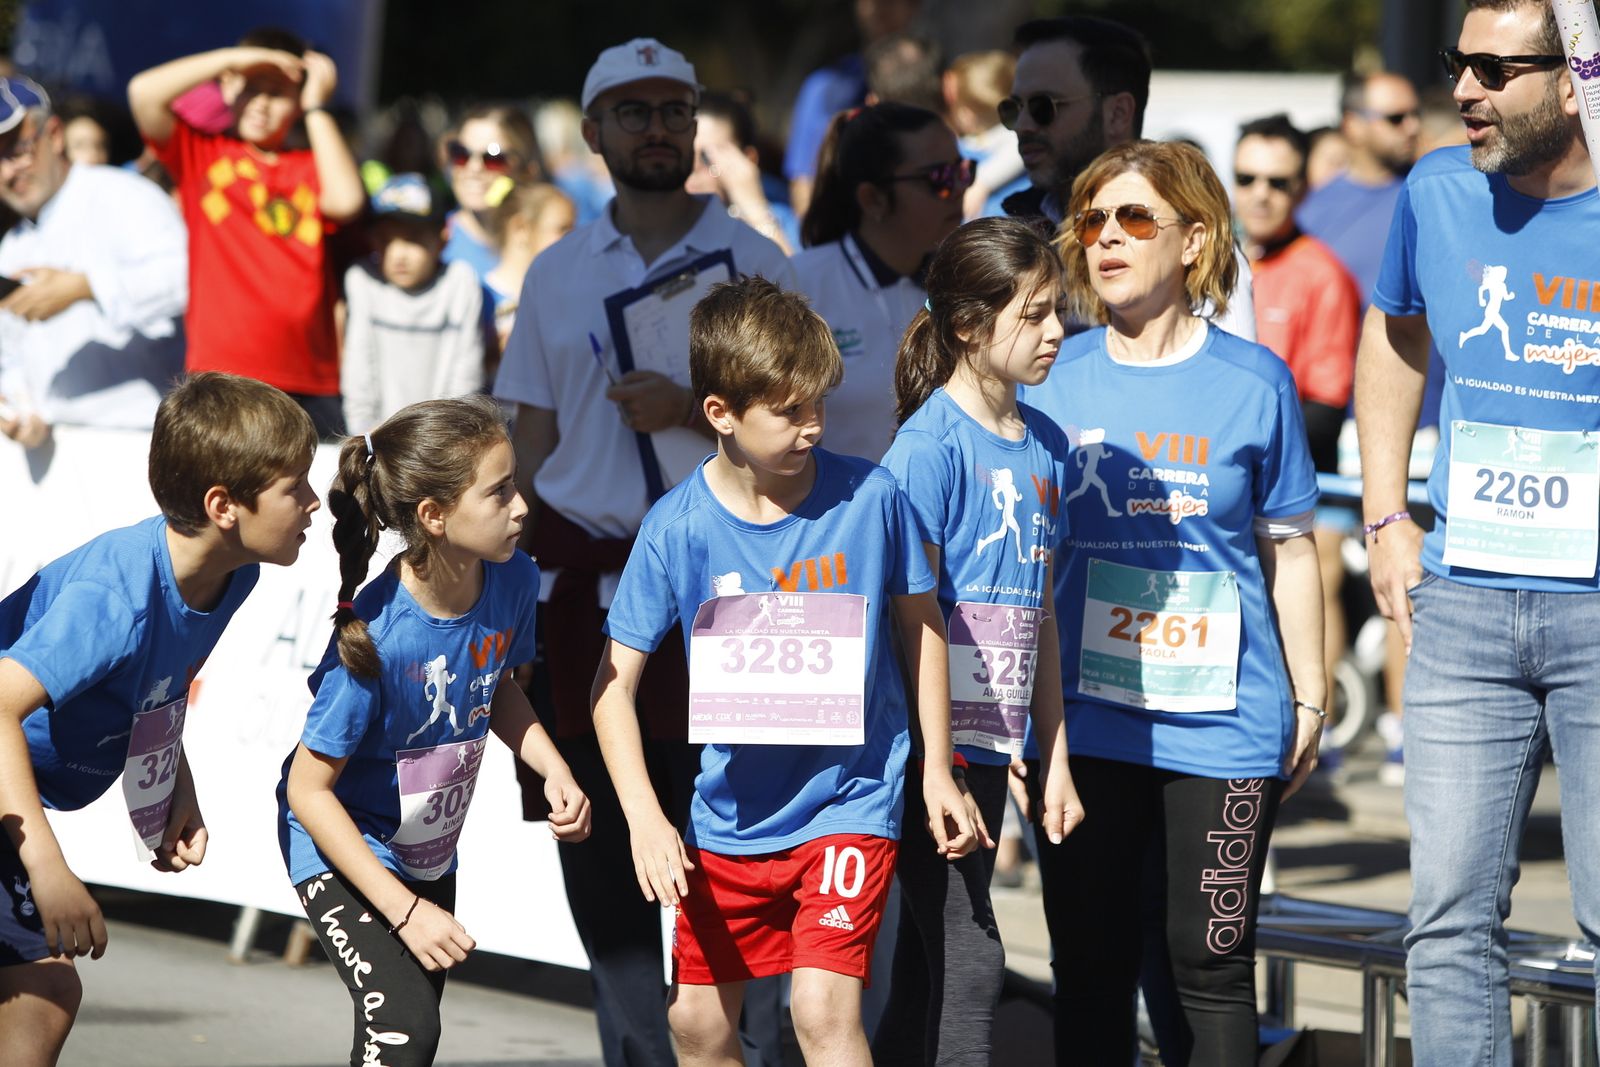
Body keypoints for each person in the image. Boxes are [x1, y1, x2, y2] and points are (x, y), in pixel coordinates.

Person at [491, 38, 795, 1067]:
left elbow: (806, 428)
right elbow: (527, 439)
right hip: (585, 587)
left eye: (674, 108)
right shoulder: (558, 270)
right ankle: (639, 1055)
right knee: (604, 858)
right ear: (593, 133)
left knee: (737, 846)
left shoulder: (756, 261)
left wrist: (696, 408)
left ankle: (741, 1049)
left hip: (732, 589)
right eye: (633, 111)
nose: (657, 127)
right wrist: (505, 574)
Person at [591, 275, 976, 1067]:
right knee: (696, 1024)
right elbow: (612, 687)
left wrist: (936, 765)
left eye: (819, 407)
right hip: (729, 816)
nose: (812, 428)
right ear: (720, 414)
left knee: (820, 1011)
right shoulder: (676, 528)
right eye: (789, 412)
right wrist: (645, 816)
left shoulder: (872, 498)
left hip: (851, 801)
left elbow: (922, 622)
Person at [1023, 139, 1324, 1064]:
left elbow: (1291, 547)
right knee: (1092, 963)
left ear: (1194, 240)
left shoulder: (1254, 381)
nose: (1108, 237)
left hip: (1225, 721)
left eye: (1134, 218)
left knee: (1210, 962)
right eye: (1092, 221)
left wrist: (1309, 695)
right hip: (1088, 726)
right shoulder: (1052, 378)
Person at [1355, 2, 1599, 1061]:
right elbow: (1394, 334)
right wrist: (1382, 517)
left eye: (1496, 69)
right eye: (1458, 64)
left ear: (1573, 75)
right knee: (1447, 922)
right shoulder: (1437, 189)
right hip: (1461, 602)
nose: (1464, 89)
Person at [0, 371, 319, 1067]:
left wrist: (174, 781)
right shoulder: (113, 596)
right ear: (224, 505)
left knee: (43, 994)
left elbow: (156, 681)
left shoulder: (233, 575)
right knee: (43, 988)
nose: (313, 502)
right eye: (295, 486)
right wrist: (48, 866)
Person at [280, 396, 590, 1067]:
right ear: (434, 516)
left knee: (407, 1041)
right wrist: (404, 908)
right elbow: (307, 790)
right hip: (343, 847)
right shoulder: (378, 638)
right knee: (404, 1030)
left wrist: (552, 764)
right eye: (500, 490)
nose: (522, 506)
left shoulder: (513, 577)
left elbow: (497, 682)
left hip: (425, 847)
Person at [874, 216, 1082, 1064]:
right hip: (929, 753)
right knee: (972, 956)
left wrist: (1054, 748)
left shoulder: (1048, 445)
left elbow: (1039, 610)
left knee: (931, 968)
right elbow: (906, 615)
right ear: (967, 324)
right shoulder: (925, 450)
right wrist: (935, 763)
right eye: (1033, 315)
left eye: (1057, 310)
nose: (1057, 332)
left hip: (993, 747)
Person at [127, 26, 366, 438]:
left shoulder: (310, 165)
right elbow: (143, 93)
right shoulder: (202, 152)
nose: (260, 104)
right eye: (251, 89)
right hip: (223, 376)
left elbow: (346, 202)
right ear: (228, 86)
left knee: (308, 497)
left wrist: (317, 107)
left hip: (309, 376)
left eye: (276, 93)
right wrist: (232, 60)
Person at [1001, 15, 1257, 342]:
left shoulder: (1189, 241)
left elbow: (1231, 381)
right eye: (1013, 108)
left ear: (1118, 113)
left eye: (1042, 107)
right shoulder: (1014, 231)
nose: (1022, 124)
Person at [1232, 113, 1362, 720]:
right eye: (1247, 177)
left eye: (1278, 181)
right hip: (1227, 472)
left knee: (1319, 573)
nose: (1261, 193)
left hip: (1298, 468)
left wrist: (1237, 439)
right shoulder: (1217, 260)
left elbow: (1327, 403)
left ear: (1303, 188)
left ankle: (1321, 719)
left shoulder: (1322, 273)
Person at [0, 76, 187, 447]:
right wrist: (21, 411)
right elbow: (11, 357)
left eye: (16, 151)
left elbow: (184, 278)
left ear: (54, 135)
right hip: (60, 454)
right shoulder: (11, 246)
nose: (8, 172)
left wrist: (85, 287)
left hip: (144, 439)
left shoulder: (121, 195)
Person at [793, 102, 970, 462]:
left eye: (963, 172)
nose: (958, 190)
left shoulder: (965, 281)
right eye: (938, 178)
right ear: (872, 198)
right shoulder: (800, 287)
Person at [341, 174, 486, 434]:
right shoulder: (363, 281)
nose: (398, 254)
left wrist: (441, 436)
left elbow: (466, 371)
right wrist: (364, 434)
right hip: (377, 438)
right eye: (386, 240)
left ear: (442, 239)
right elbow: (359, 370)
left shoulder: (459, 282)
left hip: (441, 439)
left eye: (413, 239)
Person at [785, 0, 922, 216]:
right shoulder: (825, 86)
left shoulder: (936, 79)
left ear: (914, 6)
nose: (879, 7)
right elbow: (803, 183)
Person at [1296, 71, 1420, 306]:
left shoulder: (1434, 192)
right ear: (1353, 125)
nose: (1413, 126)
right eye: (1396, 118)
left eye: (1416, 114)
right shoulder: (1310, 210)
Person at [441, 103, 544, 283]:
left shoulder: (549, 246)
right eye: (461, 153)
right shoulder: (432, 243)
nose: (474, 168)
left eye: (493, 157)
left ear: (528, 171)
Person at [685, 91, 797, 255]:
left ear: (748, 160)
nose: (693, 168)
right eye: (685, 155)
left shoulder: (784, 223)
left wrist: (756, 211)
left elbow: (794, 278)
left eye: (706, 157)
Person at [484, 181, 576, 347]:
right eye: (563, 229)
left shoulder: (567, 298)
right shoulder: (482, 300)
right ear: (520, 229)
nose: (574, 240)